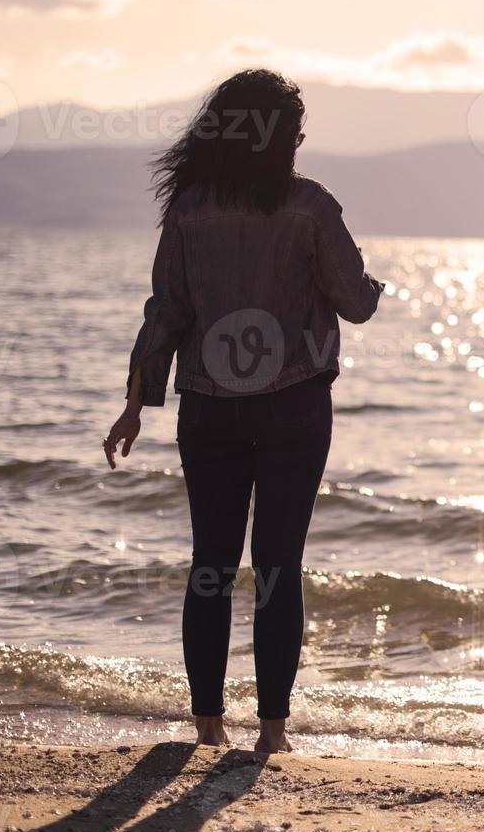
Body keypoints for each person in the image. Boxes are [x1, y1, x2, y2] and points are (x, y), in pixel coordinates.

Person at [102, 68, 385, 754]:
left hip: (207, 409)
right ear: (282, 136)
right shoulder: (310, 206)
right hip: (293, 406)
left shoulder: (189, 209)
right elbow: (356, 301)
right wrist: (370, 279)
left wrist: (135, 403)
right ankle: (272, 733)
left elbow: (166, 312)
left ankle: (206, 726)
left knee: (211, 564)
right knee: (279, 564)